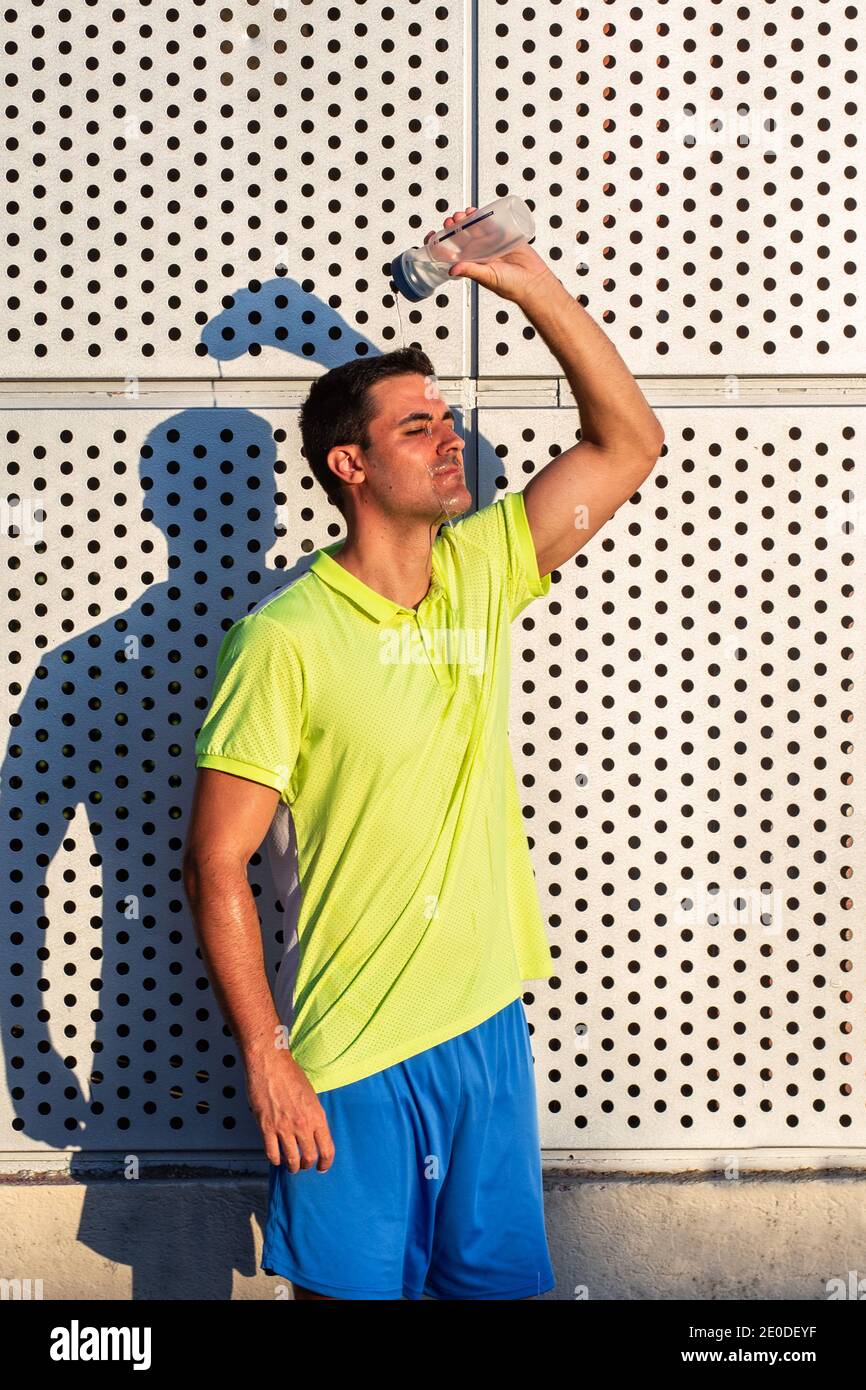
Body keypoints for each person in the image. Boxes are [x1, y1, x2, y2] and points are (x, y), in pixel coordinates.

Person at [183, 207, 665, 1300]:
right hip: (350, 1053)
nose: (451, 439)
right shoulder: (282, 638)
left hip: (484, 1031)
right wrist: (268, 1055)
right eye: (416, 428)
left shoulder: (483, 568)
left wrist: (528, 282)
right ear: (346, 464)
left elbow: (627, 440)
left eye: (446, 419)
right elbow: (215, 863)